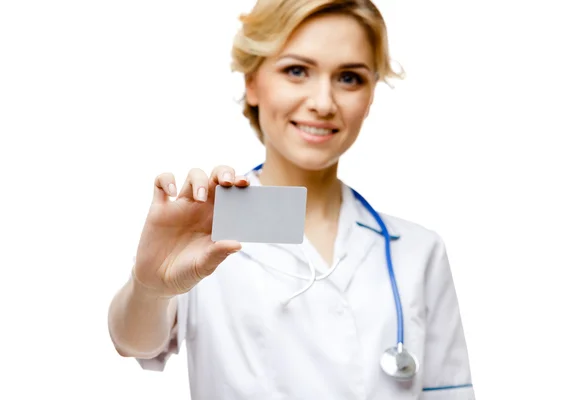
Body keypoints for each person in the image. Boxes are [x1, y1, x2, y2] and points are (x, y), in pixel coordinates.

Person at [107, 0, 475, 398]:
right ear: (252, 82)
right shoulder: (203, 230)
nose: (323, 102)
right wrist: (150, 286)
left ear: (370, 96)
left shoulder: (418, 251)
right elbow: (134, 342)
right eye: (296, 71)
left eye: (349, 78)